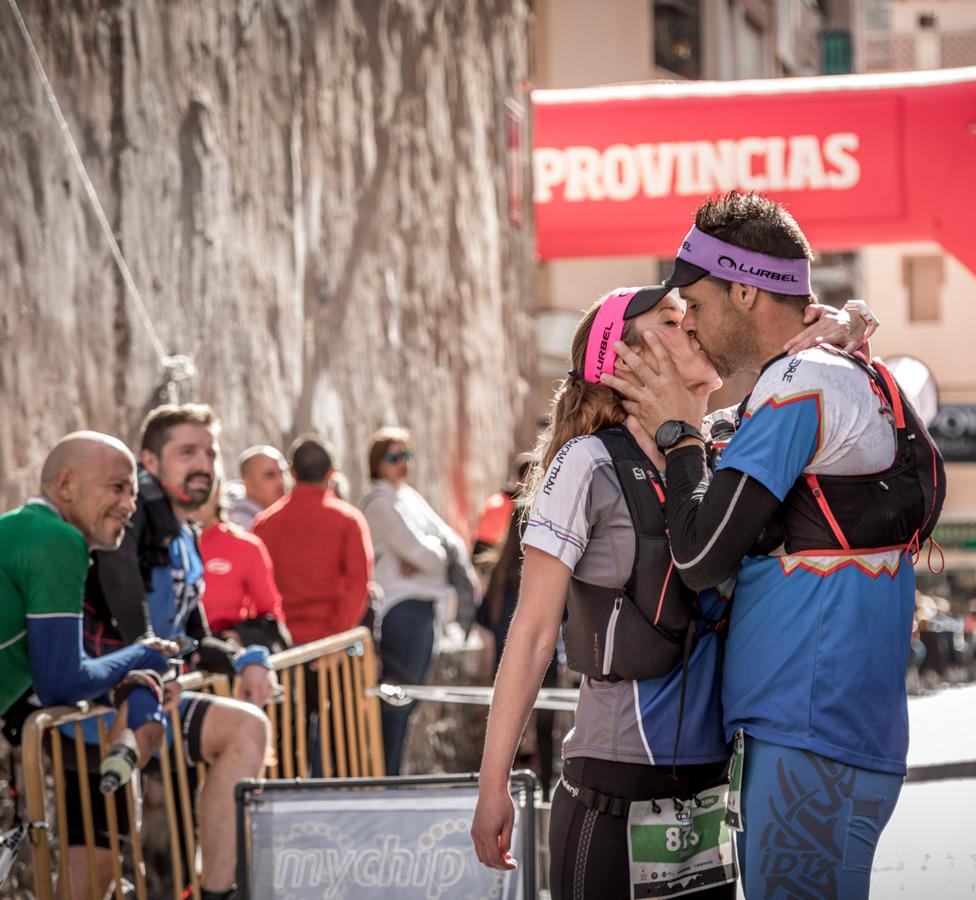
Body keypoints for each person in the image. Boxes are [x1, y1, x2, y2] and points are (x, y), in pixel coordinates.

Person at [472, 282, 873, 898]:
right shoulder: (587, 463)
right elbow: (528, 635)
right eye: (670, 317)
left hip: (710, 800)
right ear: (625, 360)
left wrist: (844, 329)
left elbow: (814, 396)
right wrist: (493, 784)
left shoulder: (721, 451)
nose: (693, 321)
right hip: (612, 796)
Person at [605, 192, 926, 898]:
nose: (688, 320)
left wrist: (680, 435)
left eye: (694, 301)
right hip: (836, 727)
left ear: (744, 290)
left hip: (807, 728)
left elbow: (700, 556)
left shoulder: (799, 382)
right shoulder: (847, 371)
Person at [77, 405, 278, 900]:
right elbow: (128, 615)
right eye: (187, 452)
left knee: (246, 728)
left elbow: (196, 638)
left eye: (209, 452)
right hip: (93, 710)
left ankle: (217, 892)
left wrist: (243, 658)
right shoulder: (132, 515)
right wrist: (156, 664)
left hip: (153, 701)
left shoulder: (184, 530)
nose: (204, 464)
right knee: (92, 879)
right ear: (149, 460)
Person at [0, 432, 174, 747]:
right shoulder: (58, 539)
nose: (129, 506)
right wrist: (145, 655)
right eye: (117, 488)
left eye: (133, 493)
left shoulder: (23, 527)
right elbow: (61, 684)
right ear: (66, 485)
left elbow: (66, 667)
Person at [359, 426, 478, 775]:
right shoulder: (380, 502)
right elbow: (430, 556)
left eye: (406, 455)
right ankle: (386, 777)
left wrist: (429, 554)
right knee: (397, 702)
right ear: (378, 463)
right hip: (401, 608)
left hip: (424, 606)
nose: (402, 463)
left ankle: (393, 774)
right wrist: (428, 554)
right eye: (394, 457)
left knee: (410, 702)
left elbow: (449, 544)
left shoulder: (408, 497)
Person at [253, 436, 373, 647]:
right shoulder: (348, 520)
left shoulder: (264, 524)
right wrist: (335, 637)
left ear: (292, 472)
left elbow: (257, 587)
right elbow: (358, 584)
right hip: (333, 648)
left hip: (283, 646)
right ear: (331, 473)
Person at [192, 479, 291, 652]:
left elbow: (270, 614)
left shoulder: (245, 546)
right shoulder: (161, 547)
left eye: (201, 489)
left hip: (228, 664)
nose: (193, 499)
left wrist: (238, 636)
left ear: (216, 492)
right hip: (176, 668)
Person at [228, 445, 289, 531]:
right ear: (249, 483)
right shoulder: (239, 527)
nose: (281, 482)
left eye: (283, 473)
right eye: (270, 475)